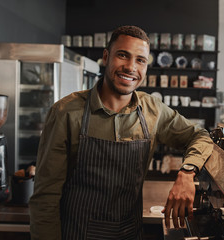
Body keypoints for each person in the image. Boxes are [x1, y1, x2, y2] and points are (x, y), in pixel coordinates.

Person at [29, 25, 214, 240]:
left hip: (129, 233)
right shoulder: (66, 112)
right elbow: (45, 198)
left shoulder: (153, 110)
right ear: (106, 57)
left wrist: (187, 173)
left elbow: (200, 136)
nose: (130, 67)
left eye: (140, 60)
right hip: (77, 233)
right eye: (123, 55)